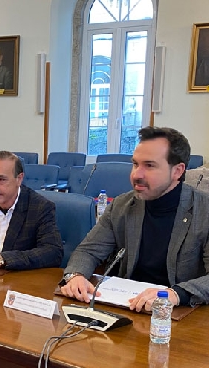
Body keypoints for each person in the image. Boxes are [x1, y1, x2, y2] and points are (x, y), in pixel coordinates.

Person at [60, 126, 209, 310]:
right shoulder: (122, 205)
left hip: (180, 313)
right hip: (127, 306)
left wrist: (177, 294)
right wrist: (76, 275)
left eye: (149, 166)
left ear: (177, 171)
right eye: (135, 164)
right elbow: (88, 251)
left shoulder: (204, 210)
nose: (136, 174)